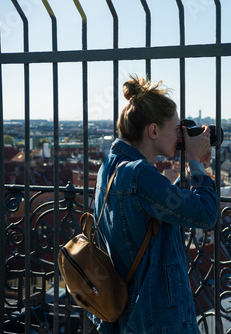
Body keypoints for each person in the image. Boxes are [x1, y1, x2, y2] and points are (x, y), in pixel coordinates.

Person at [90, 75, 218, 334]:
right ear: (153, 131)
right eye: (175, 128)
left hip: (126, 313)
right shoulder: (140, 174)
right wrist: (195, 162)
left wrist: (196, 169)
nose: (180, 135)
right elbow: (206, 214)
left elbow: (162, 204)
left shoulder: (111, 167)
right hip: (156, 315)